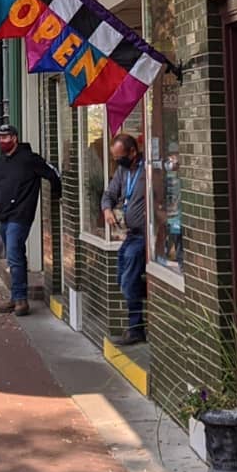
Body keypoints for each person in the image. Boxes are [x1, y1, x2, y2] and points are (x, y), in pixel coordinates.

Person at [0, 123, 60, 317]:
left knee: (15, 254)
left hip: (22, 215)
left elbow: (52, 174)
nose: (2, 141)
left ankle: (20, 301)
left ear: (14, 138)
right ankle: (16, 296)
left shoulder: (29, 159)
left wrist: (57, 195)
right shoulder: (0, 163)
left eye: (5, 137)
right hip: (4, 215)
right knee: (13, 257)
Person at [101, 133, 147, 345]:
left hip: (146, 234)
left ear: (132, 152)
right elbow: (109, 194)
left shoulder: (147, 170)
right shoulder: (122, 171)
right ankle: (142, 295)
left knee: (128, 278)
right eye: (115, 158)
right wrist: (107, 209)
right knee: (123, 274)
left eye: (120, 156)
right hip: (131, 233)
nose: (118, 161)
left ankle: (136, 328)